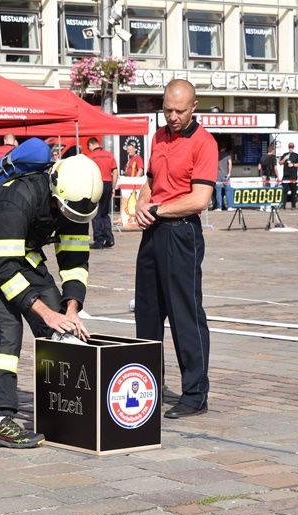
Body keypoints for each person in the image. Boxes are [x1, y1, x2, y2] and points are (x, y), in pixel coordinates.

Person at [0, 154, 103, 448]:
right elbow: (4, 269)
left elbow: (74, 260)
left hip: (18, 250)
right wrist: (44, 313)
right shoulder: (19, 197)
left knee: (62, 325)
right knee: (6, 331)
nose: (72, 221)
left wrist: (70, 308)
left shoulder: (75, 201)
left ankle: (68, 408)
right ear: (54, 192)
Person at [133, 78, 216, 420]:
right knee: (147, 314)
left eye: (180, 110)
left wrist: (159, 209)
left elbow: (200, 199)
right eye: (167, 109)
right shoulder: (158, 136)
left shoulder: (204, 143)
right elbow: (151, 181)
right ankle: (147, 387)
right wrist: (141, 201)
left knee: (185, 313)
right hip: (154, 231)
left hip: (182, 232)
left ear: (193, 107)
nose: (173, 116)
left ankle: (195, 393)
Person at [85, 136, 117, 249]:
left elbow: (88, 174)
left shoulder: (90, 157)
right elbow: (115, 172)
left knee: (96, 214)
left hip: (97, 184)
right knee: (105, 213)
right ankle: (109, 238)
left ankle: (99, 241)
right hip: (108, 184)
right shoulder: (109, 155)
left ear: (91, 145)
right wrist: (113, 187)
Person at [279, 142, 298, 209]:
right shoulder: (285, 154)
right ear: (288, 147)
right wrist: (284, 159)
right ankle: (283, 205)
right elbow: (280, 163)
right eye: (290, 147)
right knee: (284, 191)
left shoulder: (296, 155)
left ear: (293, 147)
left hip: (293, 176)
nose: (290, 148)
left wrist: (293, 165)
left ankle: (293, 205)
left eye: (292, 147)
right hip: (286, 176)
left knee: (293, 191)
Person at [213, 143, 232, 211]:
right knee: (228, 191)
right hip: (226, 176)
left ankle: (219, 207)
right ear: (225, 148)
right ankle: (229, 207)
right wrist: (229, 173)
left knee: (218, 192)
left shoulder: (216, 154)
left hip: (217, 176)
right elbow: (230, 163)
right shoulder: (227, 155)